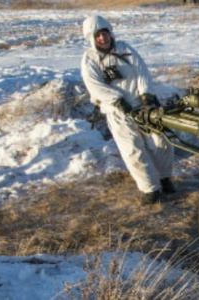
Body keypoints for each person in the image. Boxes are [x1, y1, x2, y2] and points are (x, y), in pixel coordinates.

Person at [81, 15, 175, 204]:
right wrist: (117, 100)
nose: (103, 38)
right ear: (91, 38)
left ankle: (165, 178)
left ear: (110, 32)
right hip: (118, 112)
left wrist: (146, 94)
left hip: (143, 107)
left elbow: (142, 71)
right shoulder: (90, 59)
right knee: (133, 150)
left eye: (105, 33)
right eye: (97, 35)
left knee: (161, 142)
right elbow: (94, 85)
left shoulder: (125, 49)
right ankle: (150, 189)